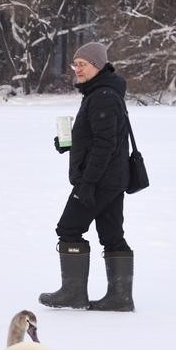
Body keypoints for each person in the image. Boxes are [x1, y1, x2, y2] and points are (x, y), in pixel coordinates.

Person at [39, 41, 134, 312]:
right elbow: (99, 138)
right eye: (75, 64)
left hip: (99, 180)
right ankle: (120, 298)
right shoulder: (100, 93)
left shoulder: (102, 96)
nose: (77, 69)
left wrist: (87, 184)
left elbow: (106, 145)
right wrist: (69, 143)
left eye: (82, 65)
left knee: (69, 228)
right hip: (112, 178)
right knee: (112, 234)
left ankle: (73, 294)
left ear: (97, 65)